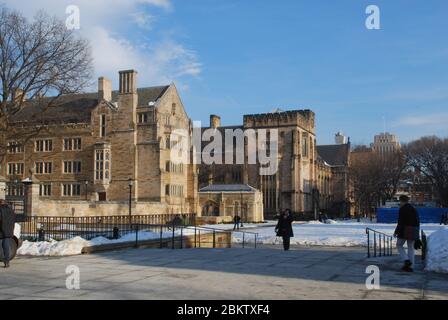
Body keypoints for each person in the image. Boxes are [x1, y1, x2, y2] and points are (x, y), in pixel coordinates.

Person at [394, 195, 420, 272]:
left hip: (404, 230)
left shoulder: (402, 209)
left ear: (402, 201)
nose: (400, 203)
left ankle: (406, 260)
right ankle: (411, 266)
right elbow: (417, 221)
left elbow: (400, 222)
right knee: (411, 247)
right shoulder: (414, 209)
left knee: (399, 245)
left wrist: (396, 231)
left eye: (400, 201)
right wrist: (417, 233)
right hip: (413, 230)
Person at [0, 199, 16, 268]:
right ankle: (7, 261)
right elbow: (14, 219)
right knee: (6, 245)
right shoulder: (10, 210)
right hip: (9, 230)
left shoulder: (0, 210)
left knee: (2, 245)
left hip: (1, 229)